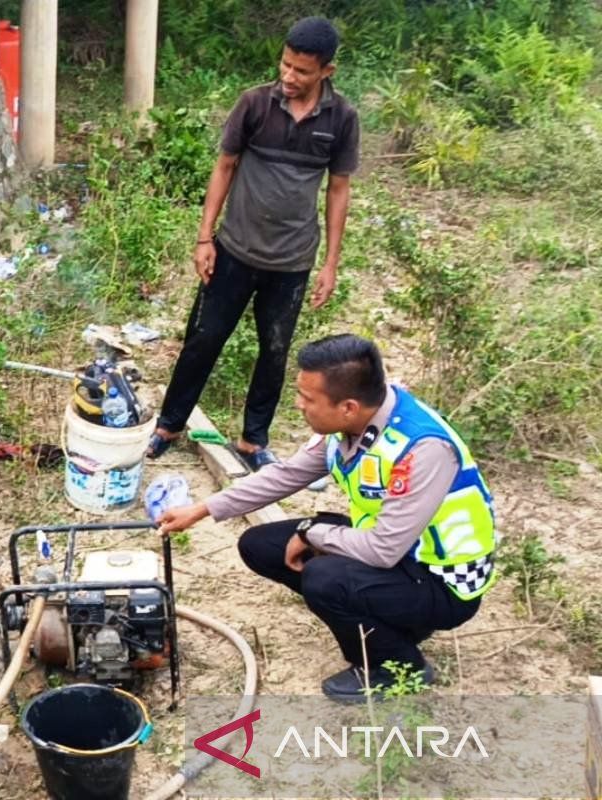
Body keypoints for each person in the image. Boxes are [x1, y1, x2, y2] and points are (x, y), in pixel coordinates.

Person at [158, 335, 497, 701]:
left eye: (308, 398)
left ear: (348, 406)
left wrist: (313, 532)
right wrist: (204, 508)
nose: (298, 404)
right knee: (260, 545)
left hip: (441, 581)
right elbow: (288, 474)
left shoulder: (423, 448)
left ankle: (397, 665)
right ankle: (389, 624)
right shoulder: (355, 423)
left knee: (324, 576)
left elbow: (382, 549)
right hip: (398, 550)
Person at [148, 17, 359, 475]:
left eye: (302, 71)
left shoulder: (341, 119)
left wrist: (330, 264)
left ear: (327, 70)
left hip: (292, 261)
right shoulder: (255, 105)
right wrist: (205, 237)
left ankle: (253, 440)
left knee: (275, 349)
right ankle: (168, 425)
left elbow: (338, 189)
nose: (289, 76)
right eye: (285, 64)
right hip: (234, 251)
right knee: (203, 339)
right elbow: (224, 167)